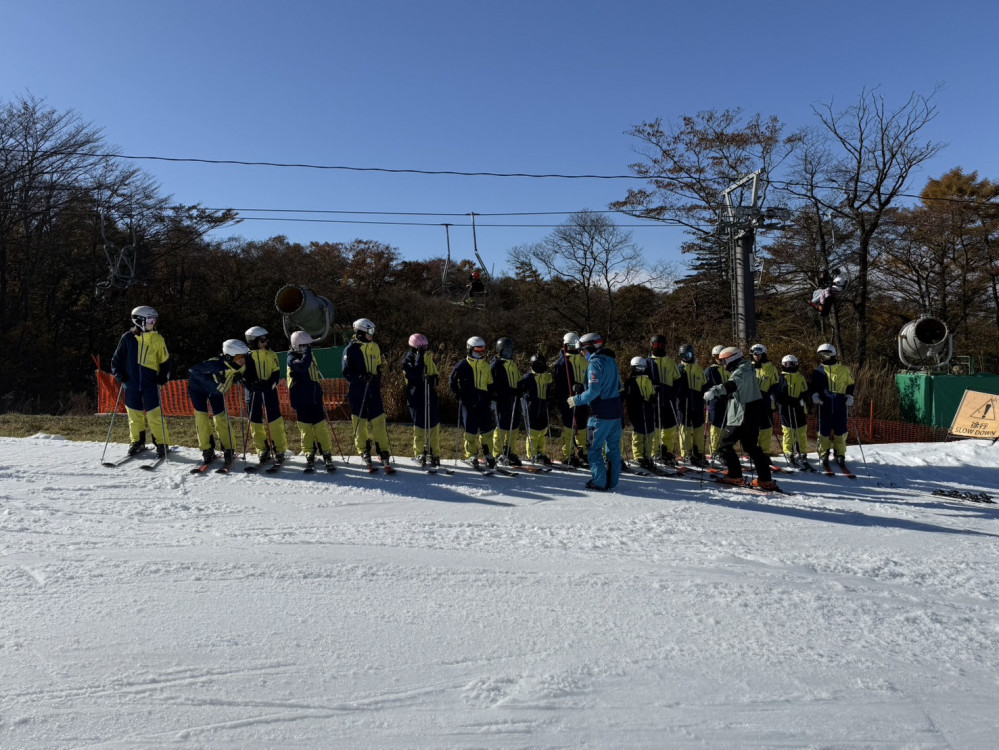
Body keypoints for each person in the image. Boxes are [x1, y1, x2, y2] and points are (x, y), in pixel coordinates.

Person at [703, 347, 776, 490]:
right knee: (751, 447)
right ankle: (765, 479)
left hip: (744, 414)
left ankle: (735, 475)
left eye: (724, 361)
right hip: (752, 413)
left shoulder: (742, 371)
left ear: (731, 358)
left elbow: (732, 385)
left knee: (724, 444)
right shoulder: (747, 369)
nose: (723, 364)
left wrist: (714, 391)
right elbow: (738, 389)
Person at [110, 305, 171, 458]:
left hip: (150, 384)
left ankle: (162, 444)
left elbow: (165, 362)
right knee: (134, 415)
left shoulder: (157, 339)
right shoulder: (128, 338)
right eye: (150, 319)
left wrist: (163, 376)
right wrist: (119, 375)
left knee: (154, 416)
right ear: (140, 320)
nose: (153, 322)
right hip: (131, 383)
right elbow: (116, 361)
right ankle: (137, 442)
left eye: (154, 319)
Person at [567, 333, 623, 491]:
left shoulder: (595, 364)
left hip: (600, 413)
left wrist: (576, 399)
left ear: (590, 348)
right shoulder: (612, 361)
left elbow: (594, 391)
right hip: (615, 412)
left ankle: (599, 481)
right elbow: (619, 385)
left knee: (593, 448)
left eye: (583, 351)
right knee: (613, 448)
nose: (582, 354)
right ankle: (612, 481)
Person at [187, 339, 248, 467]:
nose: (242, 360)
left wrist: (239, 377)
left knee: (221, 417)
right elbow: (193, 371)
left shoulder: (240, 365)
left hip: (216, 393)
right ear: (229, 356)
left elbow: (241, 371)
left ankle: (229, 449)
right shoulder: (215, 364)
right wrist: (213, 382)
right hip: (198, 389)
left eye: (244, 356)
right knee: (202, 418)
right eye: (239, 357)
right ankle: (207, 450)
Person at [342, 317, 392, 469]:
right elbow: (346, 373)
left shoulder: (374, 346)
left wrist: (377, 377)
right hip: (358, 391)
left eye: (373, 331)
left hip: (373, 390)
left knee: (379, 422)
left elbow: (377, 366)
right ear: (361, 332)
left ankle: (383, 451)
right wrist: (361, 377)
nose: (372, 334)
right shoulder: (350, 350)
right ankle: (364, 450)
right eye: (370, 331)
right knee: (360, 423)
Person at [287, 331, 335, 471]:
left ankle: (326, 452)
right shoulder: (291, 357)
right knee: (306, 429)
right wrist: (307, 353)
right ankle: (309, 452)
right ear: (297, 345)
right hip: (300, 400)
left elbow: (313, 375)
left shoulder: (309, 355)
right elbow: (302, 366)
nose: (308, 348)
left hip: (314, 398)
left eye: (309, 345)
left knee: (320, 427)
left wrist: (319, 391)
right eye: (305, 346)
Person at [242, 326, 290, 466]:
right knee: (255, 421)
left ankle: (279, 449)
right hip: (253, 394)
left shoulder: (271, 354)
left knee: (274, 420)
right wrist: (250, 385)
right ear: (252, 341)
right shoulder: (246, 356)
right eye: (262, 340)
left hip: (269, 392)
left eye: (266, 339)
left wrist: (269, 384)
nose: (266, 342)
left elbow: (276, 372)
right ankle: (262, 450)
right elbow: (242, 375)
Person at [449, 336, 497, 469]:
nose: (480, 352)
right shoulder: (462, 365)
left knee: (487, 428)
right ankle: (472, 454)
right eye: (477, 349)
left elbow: (490, 383)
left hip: (483, 401)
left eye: (482, 349)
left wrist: (492, 394)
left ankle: (488, 454)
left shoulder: (486, 366)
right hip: (469, 401)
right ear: (469, 349)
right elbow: (452, 381)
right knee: (471, 429)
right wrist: (457, 394)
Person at [808, 343, 856, 471]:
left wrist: (849, 396)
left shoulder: (844, 370)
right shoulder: (818, 372)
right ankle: (823, 453)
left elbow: (850, 384)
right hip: (825, 403)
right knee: (824, 431)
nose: (824, 357)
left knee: (841, 431)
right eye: (822, 355)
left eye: (827, 354)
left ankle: (840, 454)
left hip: (840, 402)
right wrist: (815, 396)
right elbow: (813, 387)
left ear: (833, 354)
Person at [401, 333, 441, 467]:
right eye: (422, 348)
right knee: (420, 427)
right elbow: (416, 375)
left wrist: (433, 380)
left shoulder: (427, 358)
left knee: (433, 426)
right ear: (415, 347)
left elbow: (435, 375)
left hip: (430, 396)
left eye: (425, 347)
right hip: (416, 398)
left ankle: (434, 452)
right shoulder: (407, 361)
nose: (425, 350)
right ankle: (419, 453)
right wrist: (420, 357)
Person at [553, 332, 590, 467]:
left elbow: (589, 376)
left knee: (582, 425)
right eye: (570, 346)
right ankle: (568, 454)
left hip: (583, 398)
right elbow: (559, 384)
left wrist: (585, 389)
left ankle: (582, 451)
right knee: (569, 426)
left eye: (575, 345)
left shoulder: (583, 359)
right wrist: (566, 395)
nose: (573, 348)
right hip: (568, 400)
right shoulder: (562, 363)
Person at [647, 334, 683, 466]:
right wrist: (651, 389)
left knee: (669, 426)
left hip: (668, 398)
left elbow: (677, 379)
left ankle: (666, 450)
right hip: (655, 399)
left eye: (662, 345)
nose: (659, 348)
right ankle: (655, 452)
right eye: (656, 345)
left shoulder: (670, 361)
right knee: (656, 426)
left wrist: (673, 392)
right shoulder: (649, 362)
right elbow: (644, 380)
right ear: (652, 346)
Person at [491, 337, 523, 466]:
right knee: (502, 426)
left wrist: (520, 389)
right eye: (505, 352)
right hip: (502, 400)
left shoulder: (513, 364)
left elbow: (519, 379)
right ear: (499, 351)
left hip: (514, 401)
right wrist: (493, 393)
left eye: (510, 351)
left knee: (514, 426)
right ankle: (498, 453)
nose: (508, 354)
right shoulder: (496, 365)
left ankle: (510, 451)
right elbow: (491, 381)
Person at [676, 343, 709, 466]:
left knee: (699, 429)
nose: (686, 357)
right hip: (684, 403)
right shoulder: (679, 369)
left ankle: (698, 452)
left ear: (693, 354)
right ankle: (686, 453)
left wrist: (707, 395)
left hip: (697, 403)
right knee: (685, 429)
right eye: (683, 355)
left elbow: (705, 386)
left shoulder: (698, 369)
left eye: (688, 354)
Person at [622, 355, 656, 471]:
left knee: (649, 432)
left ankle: (648, 454)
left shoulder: (647, 380)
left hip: (648, 409)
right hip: (637, 410)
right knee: (639, 432)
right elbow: (629, 397)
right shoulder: (631, 382)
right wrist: (637, 400)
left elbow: (651, 392)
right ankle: (639, 455)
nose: (640, 370)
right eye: (638, 368)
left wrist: (652, 398)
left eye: (642, 368)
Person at [776, 354, 810, 468]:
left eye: (792, 364)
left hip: (799, 408)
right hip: (786, 409)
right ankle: (788, 452)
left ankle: (802, 453)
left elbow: (805, 392)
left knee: (801, 432)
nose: (789, 366)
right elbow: (778, 395)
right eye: (786, 364)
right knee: (788, 432)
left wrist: (801, 400)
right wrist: (787, 401)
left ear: (796, 364)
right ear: (782, 365)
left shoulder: (800, 377)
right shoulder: (781, 378)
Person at [520, 353, 553, 465]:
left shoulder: (546, 376)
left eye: (541, 364)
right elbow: (521, 388)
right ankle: (532, 454)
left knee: (542, 431)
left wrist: (550, 396)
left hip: (543, 405)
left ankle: (540, 452)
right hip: (532, 406)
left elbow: (550, 386)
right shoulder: (528, 377)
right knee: (533, 432)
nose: (539, 366)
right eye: (536, 364)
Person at [749, 343, 780, 459]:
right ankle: (753, 451)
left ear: (764, 354)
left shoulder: (771, 368)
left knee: (766, 428)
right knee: (753, 428)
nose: (756, 356)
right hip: (751, 402)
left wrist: (770, 395)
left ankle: (765, 452)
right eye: (754, 354)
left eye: (759, 354)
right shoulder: (748, 367)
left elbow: (776, 385)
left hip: (765, 402)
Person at [704, 344, 730, 465]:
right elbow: (708, 386)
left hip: (728, 402)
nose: (719, 360)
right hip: (716, 402)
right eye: (716, 357)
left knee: (727, 427)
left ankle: (724, 449)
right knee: (716, 426)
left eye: (720, 357)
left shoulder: (728, 369)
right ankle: (715, 450)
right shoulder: (711, 370)